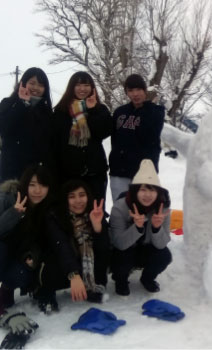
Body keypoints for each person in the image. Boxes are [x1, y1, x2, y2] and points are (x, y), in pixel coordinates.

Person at [36, 180, 110, 314]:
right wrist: (74, 275)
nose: (78, 200)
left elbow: (104, 250)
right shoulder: (55, 217)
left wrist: (97, 226)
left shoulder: (95, 214)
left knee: (99, 250)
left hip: (77, 264)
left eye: (82, 195)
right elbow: (62, 247)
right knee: (53, 258)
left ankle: (90, 287)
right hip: (60, 266)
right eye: (72, 196)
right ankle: (45, 294)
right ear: (65, 199)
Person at [0, 164, 54, 348]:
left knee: (26, 270)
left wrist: (32, 256)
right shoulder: (7, 197)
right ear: (24, 184)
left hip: (14, 258)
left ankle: (6, 288)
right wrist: (14, 214)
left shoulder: (42, 210)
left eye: (43, 185)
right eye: (32, 184)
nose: (37, 190)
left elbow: (38, 242)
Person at [110, 159, 172, 296]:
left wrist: (156, 228)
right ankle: (121, 280)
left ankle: (147, 278)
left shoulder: (163, 209)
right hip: (125, 251)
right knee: (120, 258)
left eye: (152, 190)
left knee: (164, 256)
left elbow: (162, 245)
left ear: (158, 193)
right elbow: (119, 243)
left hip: (146, 249)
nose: (148, 195)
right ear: (135, 191)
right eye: (143, 189)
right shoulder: (120, 207)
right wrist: (137, 227)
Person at [51, 71, 112, 201]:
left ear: (92, 88)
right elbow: (56, 142)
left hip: (94, 173)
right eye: (78, 85)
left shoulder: (100, 109)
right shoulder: (60, 111)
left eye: (86, 85)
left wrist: (91, 109)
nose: (82, 89)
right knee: (69, 212)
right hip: (68, 174)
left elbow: (103, 132)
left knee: (95, 212)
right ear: (71, 87)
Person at [109, 74, 165, 201]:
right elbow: (114, 138)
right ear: (126, 93)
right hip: (119, 171)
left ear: (145, 90)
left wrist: (147, 107)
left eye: (138, 89)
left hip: (144, 172)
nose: (135, 94)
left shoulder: (156, 112)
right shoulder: (120, 112)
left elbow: (150, 136)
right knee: (120, 210)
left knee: (144, 212)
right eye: (131, 90)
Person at [0, 67, 53, 182]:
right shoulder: (8, 103)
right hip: (12, 175)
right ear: (23, 83)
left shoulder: (46, 112)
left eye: (40, 85)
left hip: (36, 177)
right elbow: (4, 129)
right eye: (32, 83)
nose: (36, 88)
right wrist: (22, 103)